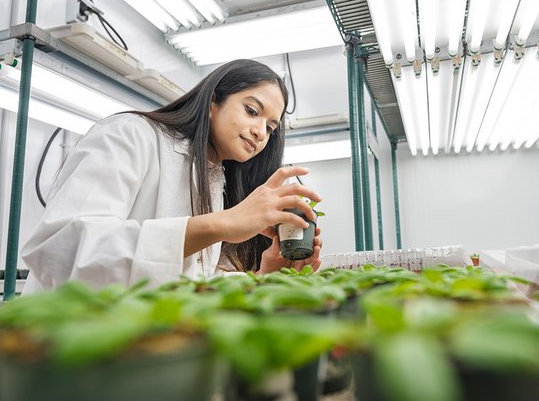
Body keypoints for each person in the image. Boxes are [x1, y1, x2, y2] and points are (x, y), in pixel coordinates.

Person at [22, 59, 323, 293]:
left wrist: (263, 278)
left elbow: (191, 281)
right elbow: (61, 254)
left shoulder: (214, 179)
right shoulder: (130, 135)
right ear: (212, 103)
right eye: (251, 110)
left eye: (270, 127)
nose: (260, 132)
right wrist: (218, 224)